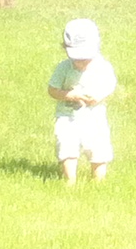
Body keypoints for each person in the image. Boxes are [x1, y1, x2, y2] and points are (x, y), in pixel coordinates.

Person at [46, 17, 118, 183]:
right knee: (66, 145)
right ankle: (70, 180)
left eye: (85, 58)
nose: (80, 63)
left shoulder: (102, 67)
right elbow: (52, 89)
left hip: (94, 116)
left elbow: (109, 85)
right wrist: (69, 95)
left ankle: (98, 180)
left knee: (97, 147)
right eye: (76, 59)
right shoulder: (64, 68)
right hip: (67, 116)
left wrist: (98, 96)